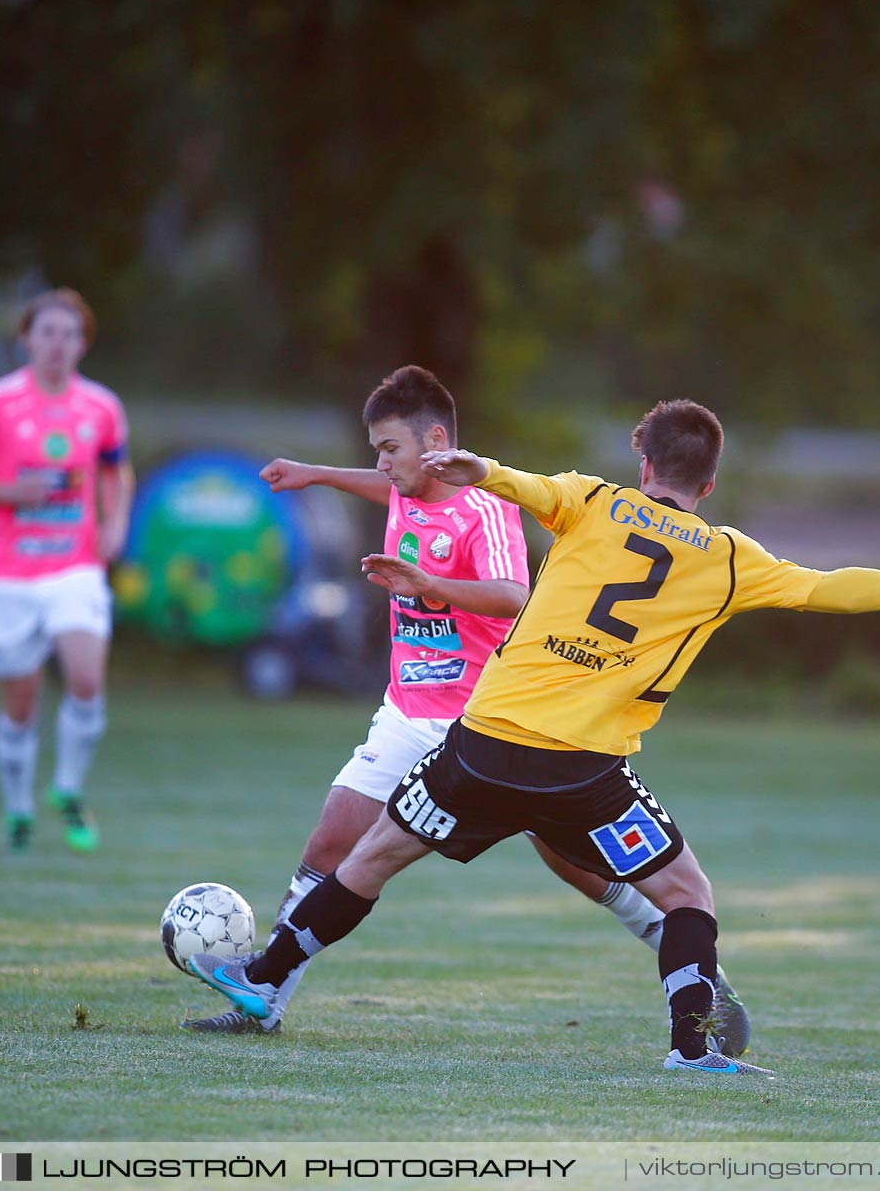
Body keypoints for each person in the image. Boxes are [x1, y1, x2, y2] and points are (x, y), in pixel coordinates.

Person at [187, 398, 880, 1074]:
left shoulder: (593, 500)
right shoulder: (727, 559)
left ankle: (265, 981)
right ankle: (692, 1050)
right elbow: (833, 591)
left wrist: (482, 470)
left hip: (482, 741)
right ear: (710, 481)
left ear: (643, 464)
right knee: (688, 894)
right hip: (583, 773)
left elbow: (517, 483)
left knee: (368, 860)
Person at [181, 368, 751, 1052]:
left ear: (437, 442)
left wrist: (430, 585)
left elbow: (515, 595)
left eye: (390, 449)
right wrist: (317, 474)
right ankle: (263, 998)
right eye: (377, 452)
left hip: (488, 718)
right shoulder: (405, 490)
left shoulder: (485, 508)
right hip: (407, 709)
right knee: (335, 841)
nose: (382, 465)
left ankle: (693, 964)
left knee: (579, 864)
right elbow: (389, 491)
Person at [0, 288, 134, 853]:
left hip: (74, 567)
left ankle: (68, 789)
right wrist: (10, 491)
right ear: (26, 338)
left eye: (69, 334)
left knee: (86, 678)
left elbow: (114, 470)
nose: (57, 344)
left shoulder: (100, 407)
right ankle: (18, 808)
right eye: (47, 332)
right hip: (9, 574)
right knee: (21, 698)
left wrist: (116, 522)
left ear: (82, 343)